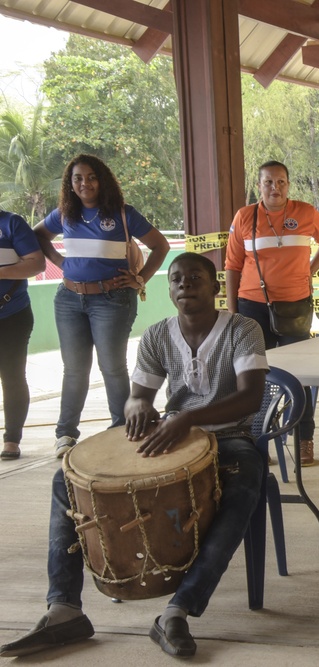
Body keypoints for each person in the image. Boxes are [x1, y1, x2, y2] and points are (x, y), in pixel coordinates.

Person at [0, 252, 269, 659]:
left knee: (247, 479)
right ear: (169, 289)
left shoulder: (243, 329)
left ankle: (176, 612)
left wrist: (188, 418)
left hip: (229, 437)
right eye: (176, 279)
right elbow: (138, 397)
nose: (184, 284)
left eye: (195, 277)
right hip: (169, 437)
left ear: (215, 287)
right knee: (67, 480)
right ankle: (64, 609)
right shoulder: (158, 335)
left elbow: (250, 396)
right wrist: (137, 408)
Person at [33, 154, 170, 459]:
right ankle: (66, 434)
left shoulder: (123, 214)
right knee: (74, 370)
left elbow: (160, 245)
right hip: (69, 299)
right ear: (71, 184)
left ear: (102, 179)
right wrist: (58, 261)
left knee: (112, 367)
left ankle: (123, 428)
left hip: (112, 300)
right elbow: (39, 235)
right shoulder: (65, 214)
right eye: (78, 178)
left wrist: (140, 278)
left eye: (91, 177)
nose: (85, 183)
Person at [225, 160, 319, 467]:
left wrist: (309, 270)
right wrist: (233, 311)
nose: (275, 188)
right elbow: (233, 266)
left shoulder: (305, 212)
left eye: (281, 182)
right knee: (254, 374)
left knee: (299, 375)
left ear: (288, 184)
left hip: (296, 305)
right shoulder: (245, 216)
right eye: (268, 182)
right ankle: (258, 436)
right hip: (252, 305)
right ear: (259, 185)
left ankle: (304, 438)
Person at [0, 209, 44, 461]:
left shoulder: (11, 223)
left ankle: (11, 439)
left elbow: (36, 264)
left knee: (12, 377)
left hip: (12, 315)